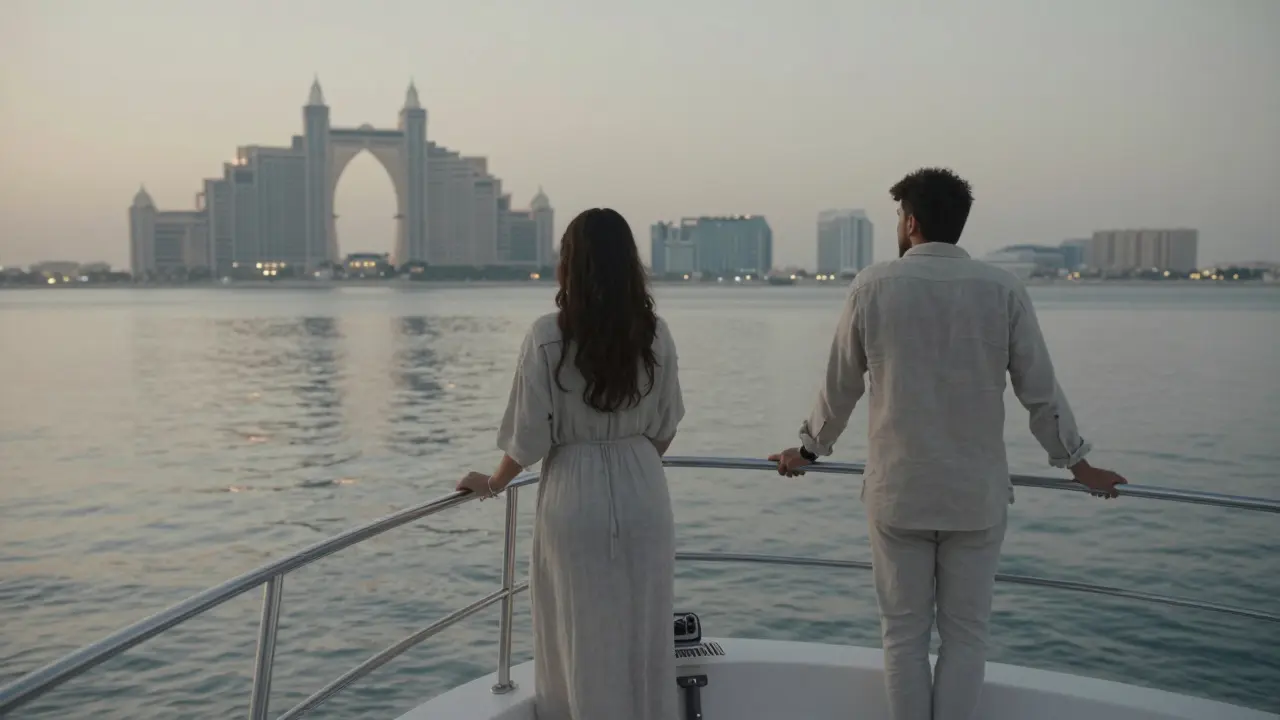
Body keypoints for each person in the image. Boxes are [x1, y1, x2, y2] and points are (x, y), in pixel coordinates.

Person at [769, 168, 1127, 720]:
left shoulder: (871, 286)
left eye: (897, 217)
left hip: (899, 494)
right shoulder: (1002, 288)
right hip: (974, 497)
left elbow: (839, 388)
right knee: (966, 639)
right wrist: (1080, 467)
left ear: (910, 222)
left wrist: (808, 452)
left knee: (903, 640)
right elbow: (1040, 391)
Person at [458, 207, 684, 720]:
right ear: (630, 264)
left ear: (570, 266)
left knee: (576, 635)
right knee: (643, 634)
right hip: (644, 487)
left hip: (573, 493)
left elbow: (528, 437)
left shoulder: (547, 335)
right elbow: (666, 426)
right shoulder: (655, 333)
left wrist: (492, 483)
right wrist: (633, 466)